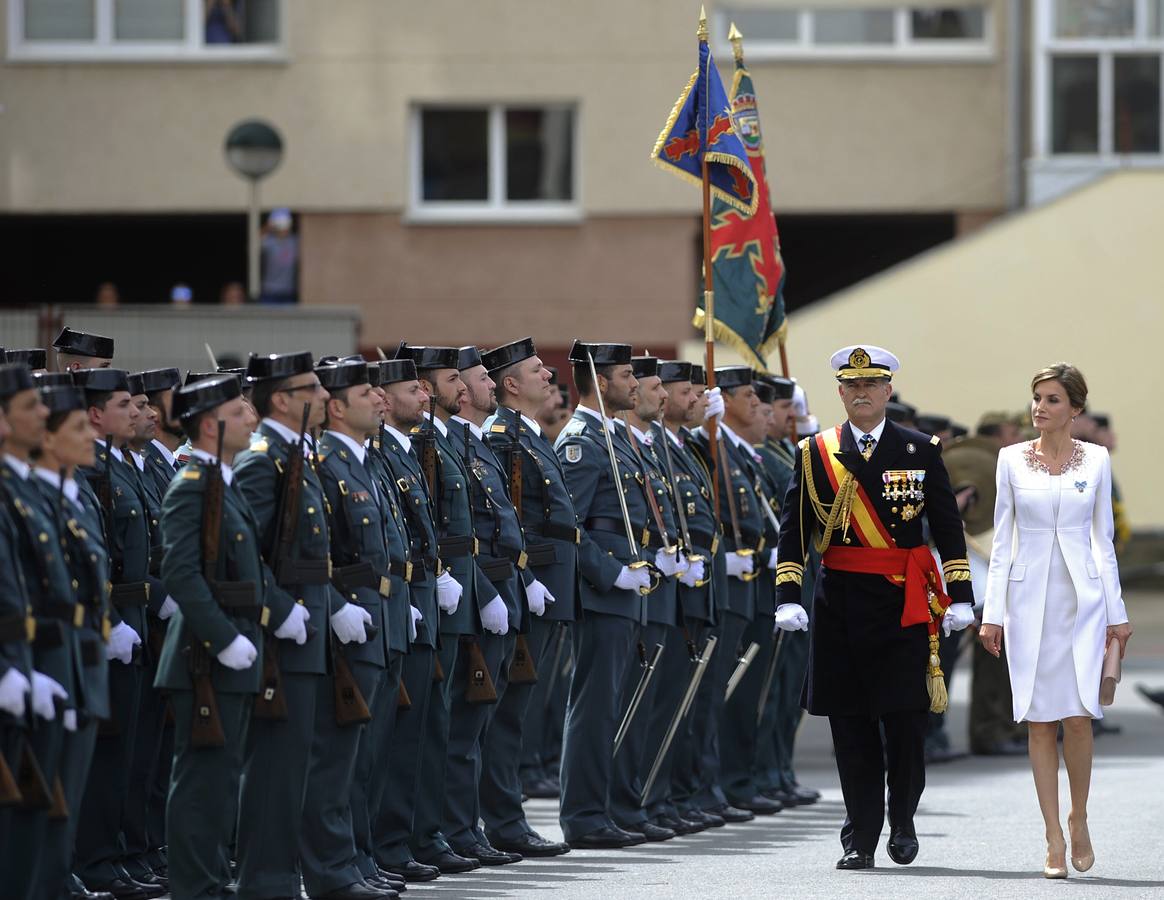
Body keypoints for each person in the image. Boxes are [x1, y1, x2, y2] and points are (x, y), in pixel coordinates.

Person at [773, 345, 975, 871]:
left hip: (902, 602)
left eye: (871, 385)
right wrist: (787, 597)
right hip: (838, 601)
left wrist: (961, 596)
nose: (861, 394)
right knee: (851, 725)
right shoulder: (814, 451)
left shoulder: (920, 450)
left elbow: (949, 530)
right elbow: (794, 531)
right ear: (840, 392)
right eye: (851, 386)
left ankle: (902, 818)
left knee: (906, 721)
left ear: (888, 391)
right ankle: (859, 835)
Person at [979, 362, 1132, 879]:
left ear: (1075, 409)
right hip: (1027, 603)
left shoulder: (1097, 458)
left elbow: (1103, 540)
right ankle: (1052, 834)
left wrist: (1117, 613)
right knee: (1040, 719)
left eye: (1051, 400)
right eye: (1036, 398)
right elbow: (1002, 543)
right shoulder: (1008, 461)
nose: (1039, 408)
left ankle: (1079, 816)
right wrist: (992, 614)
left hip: (1083, 600)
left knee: (1079, 716)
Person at [231, 352, 339, 900]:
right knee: (273, 764)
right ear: (281, 398)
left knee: (294, 760)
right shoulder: (262, 459)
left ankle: (282, 874)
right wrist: (278, 609)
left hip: (307, 626)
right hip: (282, 632)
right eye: (312, 388)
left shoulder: (295, 454)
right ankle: (264, 880)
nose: (324, 396)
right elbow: (245, 553)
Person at [155, 374, 264, 900]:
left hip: (228, 654)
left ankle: (213, 881)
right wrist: (223, 638)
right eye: (238, 412)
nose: (250, 418)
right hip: (203, 656)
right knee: (201, 783)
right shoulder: (193, 484)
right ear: (207, 424)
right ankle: (196, 887)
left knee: (222, 782)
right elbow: (180, 572)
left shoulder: (225, 481)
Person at [554, 340, 654, 850]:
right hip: (601, 591)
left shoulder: (613, 437)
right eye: (625, 375)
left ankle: (610, 806)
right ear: (599, 380)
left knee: (614, 702)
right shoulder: (581, 440)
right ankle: (584, 815)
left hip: (623, 588)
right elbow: (567, 523)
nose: (634, 383)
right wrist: (610, 573)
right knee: (593, 704)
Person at [481, 337, 579, 854]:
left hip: (545, 586)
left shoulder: (529, 433)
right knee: (506, 710)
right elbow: (511, 519)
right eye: (538, 370)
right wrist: (527, 578)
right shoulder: (503, 436)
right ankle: (500, 819)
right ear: (511, 384)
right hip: (528, 585)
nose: (549, 376)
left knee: (517, 707)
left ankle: (499, 816)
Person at [260, 209, 300, 305]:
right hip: (270, 290)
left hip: (288, 290)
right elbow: (255, 241)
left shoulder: (294, 241)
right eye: (280, 226)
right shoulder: (269, 242)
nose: (283, 229)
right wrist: (268, 226)